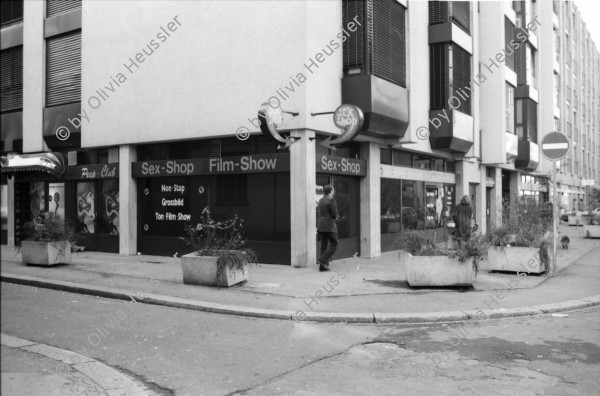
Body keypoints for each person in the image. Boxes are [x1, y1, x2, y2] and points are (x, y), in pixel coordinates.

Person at [317, 184, 339, 272]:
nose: (333, 192)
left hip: (321, 225)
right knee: (335, 243)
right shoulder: (331, 200)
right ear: (330, 191)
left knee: (324, 245)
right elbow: (334, 213)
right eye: (333, 190)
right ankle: (323, 259)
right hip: (329, 225)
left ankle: (323, 266)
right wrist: (336, 217)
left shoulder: (321, 200)